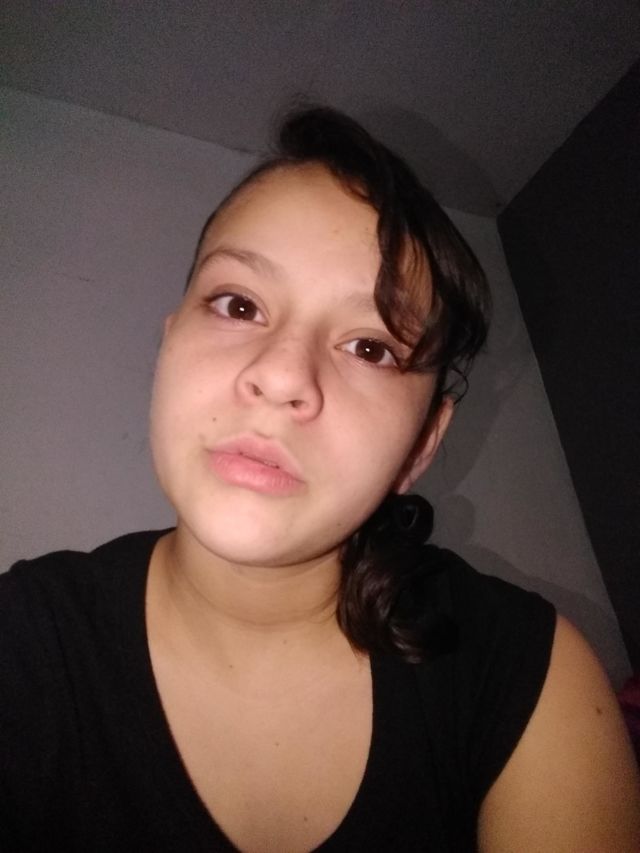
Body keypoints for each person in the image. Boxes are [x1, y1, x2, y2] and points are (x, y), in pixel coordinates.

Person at [1, 107, 639, 853]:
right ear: (168, 348)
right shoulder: (23, 642)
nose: (280, 376)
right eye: (239, 305)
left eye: (370, 348)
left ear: (422, 445)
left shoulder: (525, 672)